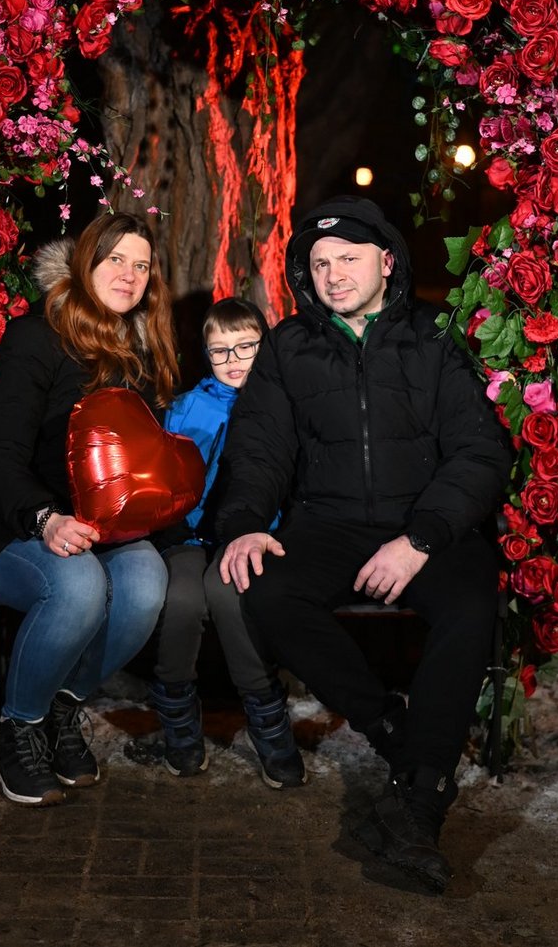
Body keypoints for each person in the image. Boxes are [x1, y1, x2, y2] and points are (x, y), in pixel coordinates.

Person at [217, 195, 510, 891]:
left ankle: (422, 792)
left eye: (348, 258)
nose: (333, 274)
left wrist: (421, 537)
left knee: (471, 603)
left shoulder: (434, 335)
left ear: (386, 261)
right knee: (267, 590)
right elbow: (258, 448)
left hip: (425, 523)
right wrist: (246, 521)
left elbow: (479, 450)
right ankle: (389, 729)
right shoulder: (289, 346)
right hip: (329, 521)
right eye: (319, 264)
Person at [0, 211, 176, 807]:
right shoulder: (38, 337)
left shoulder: (140, 352)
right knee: (79, 586)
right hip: (17, 524)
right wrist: (45, 520)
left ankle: (60, 708)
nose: (129, 275)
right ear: (85, 264)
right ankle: (18, 729)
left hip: (101, 527)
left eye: (142, 265)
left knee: (148, 581)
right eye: (116, 259)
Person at [134, 297, 306, 788]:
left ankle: (267, 716)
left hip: (251, 536)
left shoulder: (280, 403)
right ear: (206, 354)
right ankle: (178, 715)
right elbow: (162, 476)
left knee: (229, 591)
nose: (233, 360)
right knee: (183, 598)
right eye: (220, 351)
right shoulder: (188, 407)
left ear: (264, 347)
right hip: (190, 535)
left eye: (245, 347)